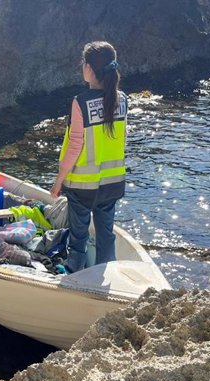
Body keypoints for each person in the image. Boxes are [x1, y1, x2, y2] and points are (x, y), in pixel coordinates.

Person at [50, 41, 128, 273]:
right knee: (105, 232)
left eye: (84, 63)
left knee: (79, 232)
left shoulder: (80, 102)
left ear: (90, 69)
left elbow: (75, 145)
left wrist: (58, 181)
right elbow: (122, 139)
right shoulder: (122, 99)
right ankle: (107, 270)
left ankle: (75, 267)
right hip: (113, 182)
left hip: (83, 185)